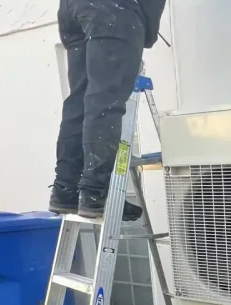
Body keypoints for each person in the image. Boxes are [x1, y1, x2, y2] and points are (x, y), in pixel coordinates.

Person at [49, 0, 166, 221]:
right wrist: (143, 30)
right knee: (105, 100)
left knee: (80, 100)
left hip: (73, 8)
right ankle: (95, 193)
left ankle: (66, 189)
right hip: (111, 10)